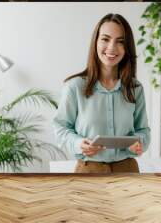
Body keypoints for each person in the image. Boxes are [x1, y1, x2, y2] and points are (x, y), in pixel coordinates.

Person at [52, 13, 150, 173]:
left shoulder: (135, 88)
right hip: (88, 170)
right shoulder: (74, 87)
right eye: (105, 39)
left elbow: (144, 130)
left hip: (128, 169)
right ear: (96, 42)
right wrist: (78, 143)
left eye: (120, 42)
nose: (112, 47)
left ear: (127, 47)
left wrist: (140, 143)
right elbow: (60, 127)